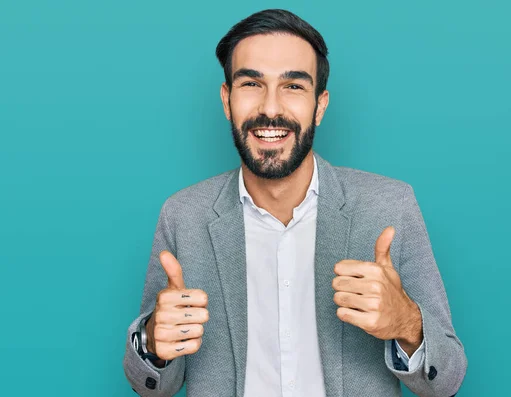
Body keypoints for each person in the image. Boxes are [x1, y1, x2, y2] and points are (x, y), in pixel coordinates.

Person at [123, 8, 466, 397]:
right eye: (251, 83)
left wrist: (406, 324)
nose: (271, 109)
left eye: (294, 86)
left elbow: (448, 380)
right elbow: (152, 387)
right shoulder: (183, 216)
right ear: (226, 100)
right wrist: (152, 342)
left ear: (320, 105)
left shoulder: (390, 207)